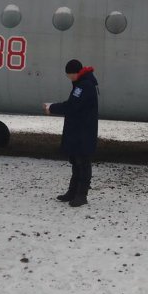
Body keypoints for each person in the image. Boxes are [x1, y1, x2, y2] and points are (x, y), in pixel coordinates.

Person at [43, 59, 99, 207]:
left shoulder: (84, 86)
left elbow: (72, 106)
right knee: (76, 161)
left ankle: (81, 195)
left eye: (69, 75)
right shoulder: (81, 84)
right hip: (78, 130)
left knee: (83, 163)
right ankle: (73, 192)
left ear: (75, 73)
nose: (68, 78)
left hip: (83, 131)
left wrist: (52, 108)